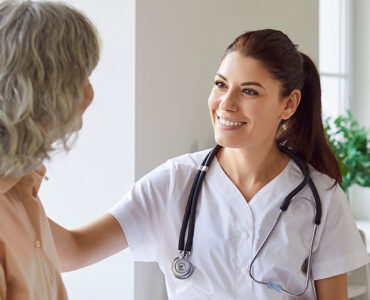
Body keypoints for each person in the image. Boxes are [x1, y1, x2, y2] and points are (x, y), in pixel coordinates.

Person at [50, 29, 369, 300]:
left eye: (249, 91)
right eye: (220, 84)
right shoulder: (174, 182)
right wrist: (17, 182)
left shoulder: (321, 198)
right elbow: (72, 251)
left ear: (288, 104)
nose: (226, 103)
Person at [0, 1, 99, 298]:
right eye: (81, 78)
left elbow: (73, 249)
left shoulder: (22, 185)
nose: (89, 94)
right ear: (44, 89)